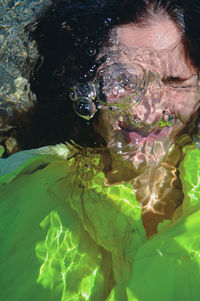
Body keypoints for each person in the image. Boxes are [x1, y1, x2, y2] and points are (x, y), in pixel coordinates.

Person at [1, 0, 200, 300]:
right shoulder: (26, 201)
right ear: (78, 80)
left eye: (175, 81)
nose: (146, 113)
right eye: (124, 80)